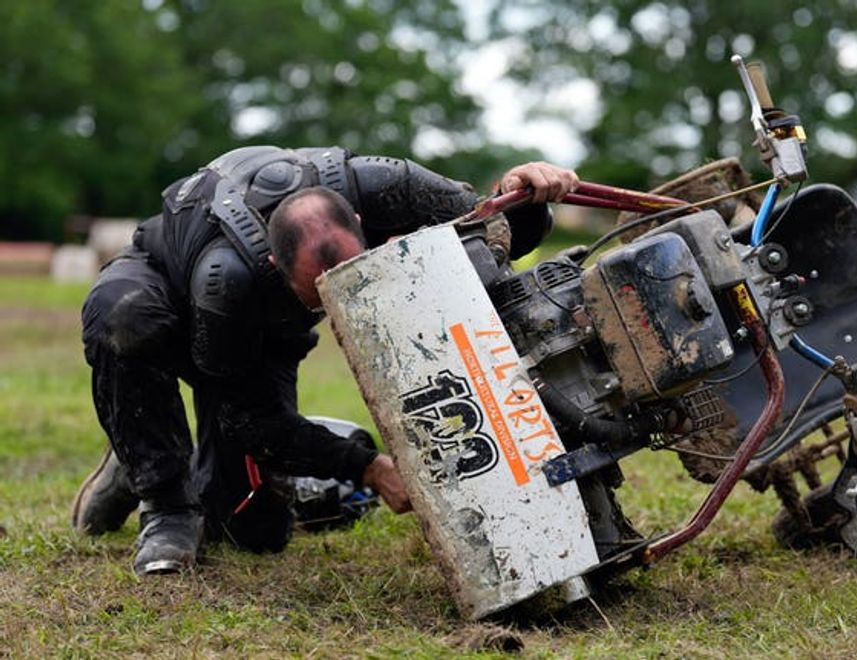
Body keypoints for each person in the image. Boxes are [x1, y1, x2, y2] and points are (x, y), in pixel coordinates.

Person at [72, 144, 579, 575]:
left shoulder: (387, 185)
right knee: (125, 319)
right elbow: (250, 418)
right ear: (276, 266)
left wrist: (526, 192)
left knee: (251, 530)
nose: (336, 309)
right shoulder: (229, 278)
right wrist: (369, 468)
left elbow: (491, 234)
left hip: (263, 334)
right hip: (171, 291)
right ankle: (159, 487)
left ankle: (139, 449)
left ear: (359, 222)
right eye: (319, 295)